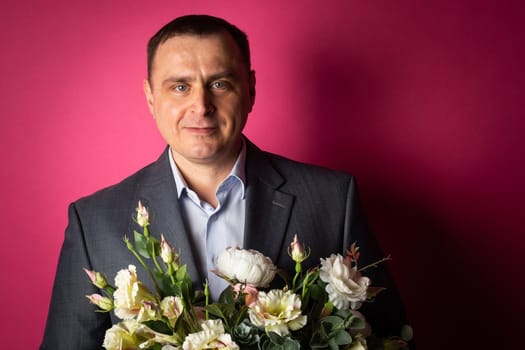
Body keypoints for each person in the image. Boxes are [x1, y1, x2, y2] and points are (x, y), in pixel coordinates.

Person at [41, 14, 409, 349]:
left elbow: (389, 338)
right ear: (151, 97)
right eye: (180, 87)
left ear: (249, 89)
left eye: (219, 83)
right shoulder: (93, 222)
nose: (201, 106)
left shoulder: (332, 200)